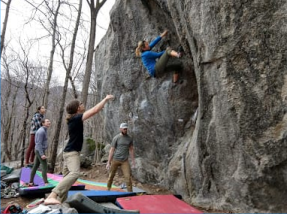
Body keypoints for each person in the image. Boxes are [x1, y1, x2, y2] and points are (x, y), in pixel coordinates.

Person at [44, 95, 114, 205]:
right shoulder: (75, 118)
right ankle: (53, 195)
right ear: (77, 108)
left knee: (66, 180)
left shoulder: (73, 119)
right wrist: (105, 99)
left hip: (68, 152)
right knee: (75, 173)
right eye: (81, 103)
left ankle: (60, 204)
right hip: (72, 153)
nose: (83, 104)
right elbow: (94, 110)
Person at [106, 123, 135, 192]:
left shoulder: (129, 139)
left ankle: (130, 192)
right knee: (111, 176)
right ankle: (107, 189)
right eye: (124, 129)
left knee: (128, 177)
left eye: (126, 129)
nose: (125, 130)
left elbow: (131, 149)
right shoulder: (116, 138)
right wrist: (108, 162)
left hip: (124, 161)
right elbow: (112, 150)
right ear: (121, 129)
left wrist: (133, 162)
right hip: (115, 159)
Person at [28, 118, 51, 186]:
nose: (49, 122)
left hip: (38, 150)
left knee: (35, 166)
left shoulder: (44, 130)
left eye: (49, 121)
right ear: (43, 123)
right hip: (39, 150)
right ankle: (46, 182)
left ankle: (31, 182)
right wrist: (42, 154)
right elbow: (38, 143)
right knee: (44, 166)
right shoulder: (41, 131)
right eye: (47, 121)